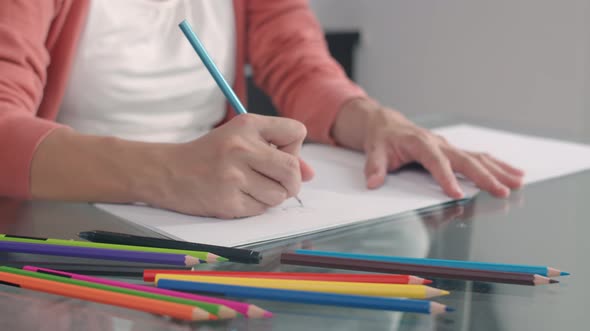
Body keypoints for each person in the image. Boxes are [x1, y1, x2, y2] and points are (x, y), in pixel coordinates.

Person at [0, 0, 524, 219]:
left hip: (211, 211)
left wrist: (371, 119)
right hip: (64, 221)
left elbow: (299, 63)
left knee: (403, 238)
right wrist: (166, 171)